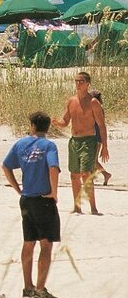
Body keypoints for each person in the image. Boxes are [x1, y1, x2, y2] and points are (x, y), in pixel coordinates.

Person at [2, 111, 61, 298]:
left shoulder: (21, 144)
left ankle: (28, 286)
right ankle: (40, 288)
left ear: (32, 126)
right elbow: (53, 168)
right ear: (47, 127)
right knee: (46, 244)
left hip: (26, 199)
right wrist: (54, 192)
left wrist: (17, 188)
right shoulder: (49, 145)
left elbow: (6, 166)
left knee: (29, 242)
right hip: (43, 199)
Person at [51, 72, 109, 214]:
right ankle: (77, 207)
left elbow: (101, 125)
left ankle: (93, 208)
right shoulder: (71, 101)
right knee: (74, 175)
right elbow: (65, 121)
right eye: (76, 81)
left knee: (85, 174)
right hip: (74, 141)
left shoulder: (93, 102)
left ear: (88, 83)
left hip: (89, 141)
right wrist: (56, 123)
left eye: (81, 81)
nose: (78, 84)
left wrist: (105, 147)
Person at [91, 91, 112, 186]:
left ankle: (105, 174)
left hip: (95, 136)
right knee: (92, 159)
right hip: (97, 135)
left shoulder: (95, 107)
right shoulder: (99, 107)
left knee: (92, 159)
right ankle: (91, 177)